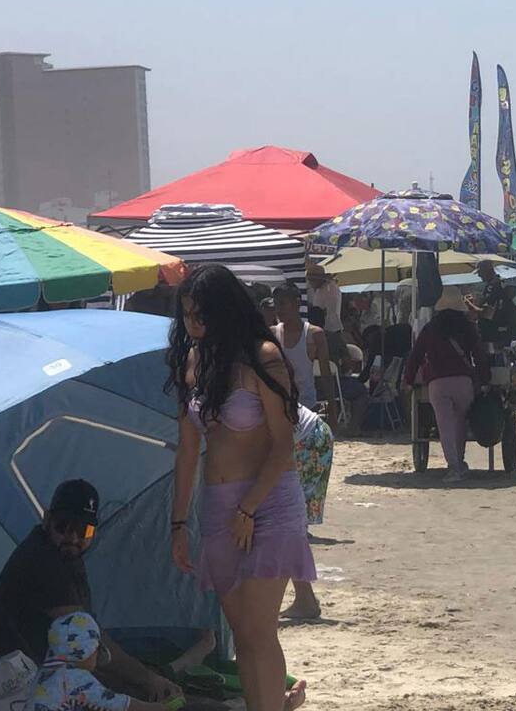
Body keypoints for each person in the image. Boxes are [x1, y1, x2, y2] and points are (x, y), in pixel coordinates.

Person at [167, 264, 310, 711]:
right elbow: (187, 451)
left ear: (224, 311)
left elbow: (284, 444)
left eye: (201, 314)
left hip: (269, 501)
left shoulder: (263, 357)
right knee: (243, 635)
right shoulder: (194, 362)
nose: (193, 324)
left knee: (259, 630)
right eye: (187, 314)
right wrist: (177, 523)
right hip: (218, 506)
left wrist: (248, 507)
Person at [0, 480, 182, 702]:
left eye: (84, 531)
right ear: (47, 519)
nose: (73, 538)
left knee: (151, 684)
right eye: (63, 526)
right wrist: (148, 680)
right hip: (29, 680)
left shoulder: (65, 555)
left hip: (56, 670)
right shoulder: (43, 561)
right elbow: (86, 639)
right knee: (152, 694)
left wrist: (147, 678)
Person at [402, 308, 490, 482]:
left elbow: (416, 355)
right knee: (460, 423)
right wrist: (485, 377)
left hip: (437, 382)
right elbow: (479, 354)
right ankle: (460, 462)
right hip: (463, 381)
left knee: (445, 426)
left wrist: (408, 380)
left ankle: (454, 467)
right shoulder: (467, 327)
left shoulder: (430, 328)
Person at [23, 611, 165, 711]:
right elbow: (118, 704)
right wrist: (158, 708)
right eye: (96, 650)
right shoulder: (74, 678)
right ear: (86, 651)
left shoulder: (47, 672)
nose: (97, 657)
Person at [281, 402, 334, 623]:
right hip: (309, 435)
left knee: (286, 524)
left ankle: (304, 599)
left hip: (306, 439)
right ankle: (304, 598)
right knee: (289, 525)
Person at [271, 283, 330, 413]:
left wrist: (332, 410)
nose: (278, 309)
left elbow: (326, 374)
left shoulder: (314, 334)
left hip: (307, 407)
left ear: (297, 303)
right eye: (275, 305)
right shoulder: (272, 334)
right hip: (280, 408)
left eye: (282, 304)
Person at [464, 261, 509, 347]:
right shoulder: (500, 283)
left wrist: (468, 303)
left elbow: (487, 313)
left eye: (480, 272)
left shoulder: (492, 287)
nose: (479, 275)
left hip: (491, 334)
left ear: (487, 271)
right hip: (499, 333)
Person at [305, 263, 345, 361]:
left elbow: (325, 313)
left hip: (330, 330)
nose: (310, 283)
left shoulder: (329, 290)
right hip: (323, 329)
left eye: (311, 280)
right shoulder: (321, 289)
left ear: (318, 279)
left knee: (329, 360)